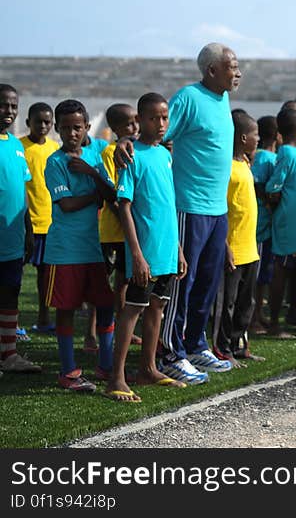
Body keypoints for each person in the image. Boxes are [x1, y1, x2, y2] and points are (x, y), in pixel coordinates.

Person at [115, 42, 241, 383]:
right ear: (212, 70)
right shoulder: (188, 97)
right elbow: (155, 133)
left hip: (217, 209)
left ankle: (196, 343)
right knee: (179, 286)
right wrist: (125, 140)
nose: (238, 72)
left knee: (207, 283)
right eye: (232, 66)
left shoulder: (223, 97)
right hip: (189, 205)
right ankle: (170, 352)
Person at [108, 93, 188, 402]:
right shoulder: (131, 155)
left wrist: (179, 249)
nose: (161, 124)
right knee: (132, 311)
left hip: (167, 250)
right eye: (154, 118)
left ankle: (148, 369)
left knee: (158, 308)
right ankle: (116, 377)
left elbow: (167, 206)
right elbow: (124, 206)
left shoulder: (165, 155)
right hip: (146, 252)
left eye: (165, 117)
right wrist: (137, 254)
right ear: (139, 121)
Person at [44, 99, 117, 391]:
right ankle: (68, 372)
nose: (72, 133)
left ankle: (106, 366)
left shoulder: (95, 157)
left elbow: (111, 193)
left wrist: (91, 173)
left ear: (87, 126)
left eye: (77, 127)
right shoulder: (55, 162)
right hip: (65, 250)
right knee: (66, 309)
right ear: (57, 130)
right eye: (65, 128)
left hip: (92, 248)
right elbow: (67, 204)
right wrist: (94, 196)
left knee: (106, 304)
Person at [212, 111, 262, 365]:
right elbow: (219, 209)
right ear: (243, 137)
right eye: (255, 135)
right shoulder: (225, 168)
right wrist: (224, 246)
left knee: (246, 304)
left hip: (250, 250)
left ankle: (239, 344)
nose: (259, 139)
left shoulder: (244, 162)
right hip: (232, 251)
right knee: (226, 305)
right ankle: (222, 350)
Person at [0, 84, 42, 375]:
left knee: (10, 293)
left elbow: (21, 192)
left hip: (12, 236)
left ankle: (9, 354)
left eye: (13, 107)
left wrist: (27, 229)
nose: (9, 112)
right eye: (3, 105)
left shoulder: (16, 145)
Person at [92, 103, 139, 355]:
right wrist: (125, 215)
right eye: (128, 124)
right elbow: (112, 195)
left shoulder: (135, 150)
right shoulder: (111, 152)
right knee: (104, 283)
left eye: (135, 122)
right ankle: (93, 334)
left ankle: (123, 329)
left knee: (124, 281)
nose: (134, 127)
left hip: (127, 231)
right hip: (112, 231)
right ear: (114, 128)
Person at [265, 108, 296, 336]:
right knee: (281, 273)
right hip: (289, 224)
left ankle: (294, 312)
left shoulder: (295, 153)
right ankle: (274, 322)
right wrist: (275, 199)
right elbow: (273, 186)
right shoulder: (287, 154)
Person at [20, 101, 58, 336]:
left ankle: (43, 318)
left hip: (49, 223)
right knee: (15, 273)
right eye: (38, 122)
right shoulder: (19, 146)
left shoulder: (54, 148)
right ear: (28, 123)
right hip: (23, 223)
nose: (43, 126)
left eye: (47, 122)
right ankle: (11, 322)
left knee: (45, 274)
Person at [250, 115, 279, 335]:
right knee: (256, 277)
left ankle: (258, 313)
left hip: (267, 226)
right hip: (259, 226)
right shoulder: (264, 158)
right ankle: (252, 318)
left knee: (264, 275)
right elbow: (257, 184)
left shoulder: (269, 157)